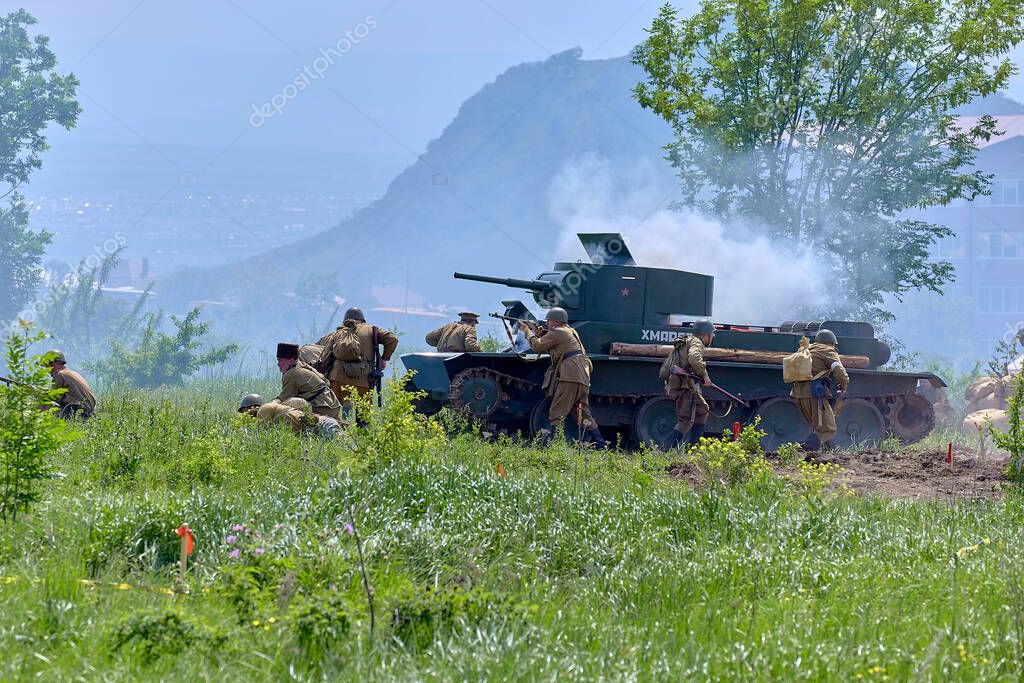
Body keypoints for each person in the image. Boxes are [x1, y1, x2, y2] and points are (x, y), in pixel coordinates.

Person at [519, 307, 605, 447]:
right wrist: (541, 334)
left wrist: (527, 332)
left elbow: (536, 346)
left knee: (557, 412)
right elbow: (558, 345)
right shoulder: (570, 331)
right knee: (583, 414)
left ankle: (554, 445)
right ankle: (601, 445)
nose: (547, 323)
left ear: (557, 322)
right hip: (582, 375)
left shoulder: (558, 332)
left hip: (570, 376)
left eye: (549, 321)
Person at [318, 307, 398, 410]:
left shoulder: (338, 332)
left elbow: (325, 356)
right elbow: (392, 339)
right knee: (363, 417)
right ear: (362, 319)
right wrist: (384, 358)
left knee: (334, 413)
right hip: (363, 380)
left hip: (337, 378)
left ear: (345, 321)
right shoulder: (372, 330)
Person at [790, 328, 850, 449]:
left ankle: (831, 449)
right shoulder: (827, 350)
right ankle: (802, 449)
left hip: (798, 394)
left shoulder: (806, 349)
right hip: (815, 394)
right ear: (831, 343)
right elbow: (839, 372)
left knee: (819, 426)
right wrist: (844, 385)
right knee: (828, 429)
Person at [658, 320, 714, 449]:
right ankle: (663, 451)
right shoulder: (696, 342)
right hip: (686, 387)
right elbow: (694, 359)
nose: (713, 336)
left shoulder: (688, 340)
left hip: (687, 385)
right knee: (686, 421)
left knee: (702, 412)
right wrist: (705, 376)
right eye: (711, 333)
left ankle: (695, 450)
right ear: (705, 334)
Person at [275, 342, 341, 420]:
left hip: (322, 408)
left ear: (291, 360)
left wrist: (268, 406)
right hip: (333, 406)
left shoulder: (291, 374)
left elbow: (284, 398)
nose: (278, 364)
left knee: (288, 406)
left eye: (281, 360)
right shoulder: (303, 366)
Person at [46, 350, 96, 419]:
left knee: (43, 402)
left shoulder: (59, 375)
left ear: (52, 365)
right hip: (89, 414)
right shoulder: (71, 373)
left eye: (47, 366)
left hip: (76, 413)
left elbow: (54, 399)